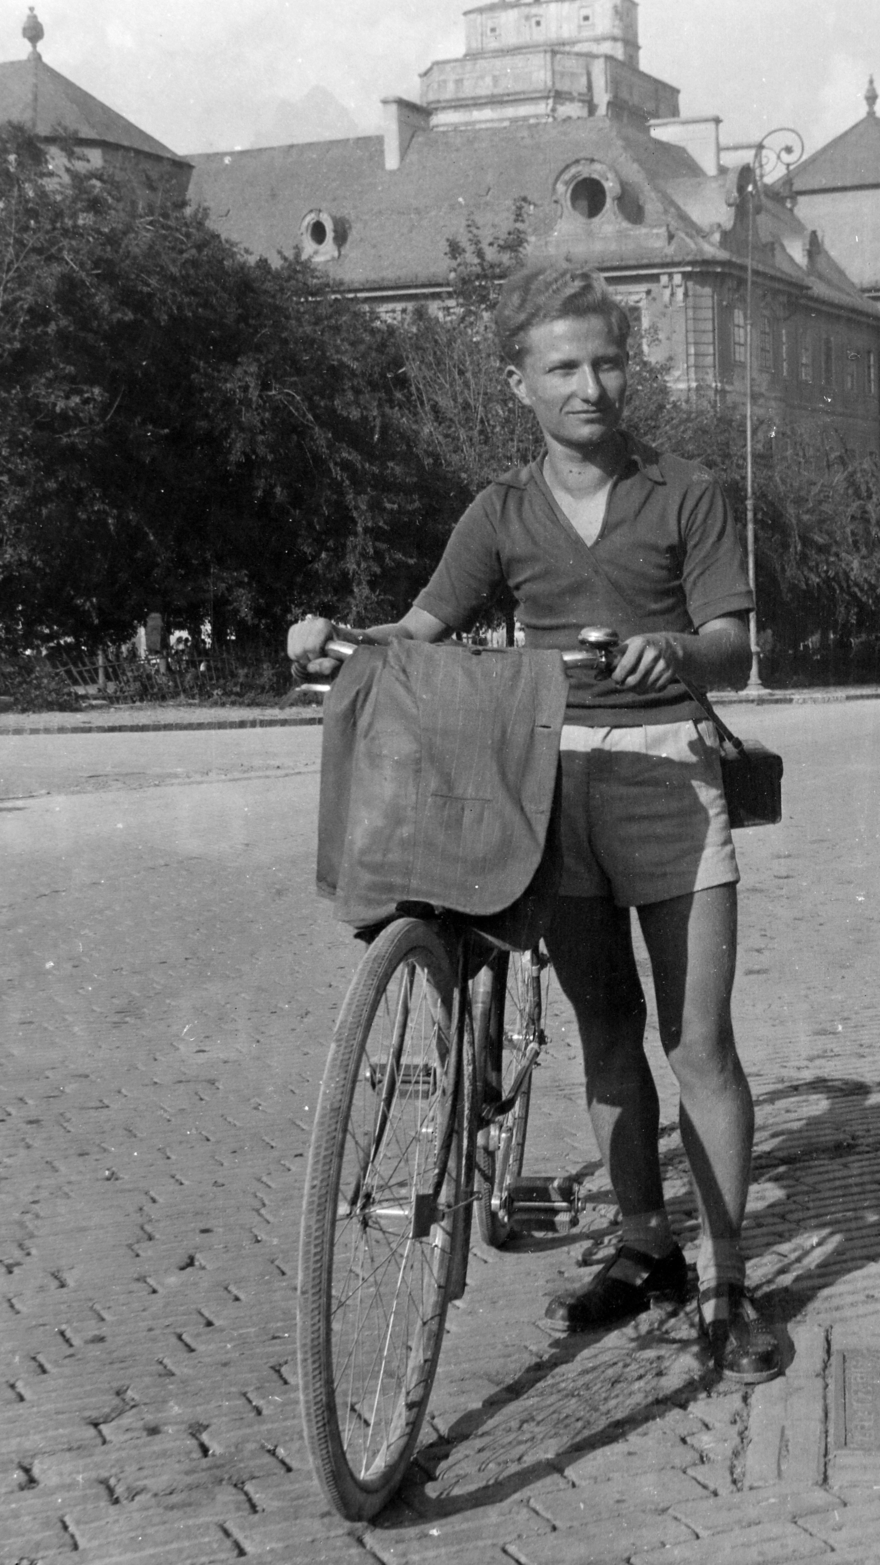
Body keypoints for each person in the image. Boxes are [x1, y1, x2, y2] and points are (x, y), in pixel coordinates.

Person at [287, 265, 780, 1384]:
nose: (589, 386)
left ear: (628, 365)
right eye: (561, 367)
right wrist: (335, 635)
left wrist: (680, 651)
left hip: (669, 781)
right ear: (520, 383)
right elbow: (417, 628)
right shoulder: (499, 511)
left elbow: (731, 645)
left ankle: (729, 1278)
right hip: (547, 793)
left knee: (696, 1040)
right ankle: (645, 1243)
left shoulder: (685, 492)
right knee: (606, 1034)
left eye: (605, 362)